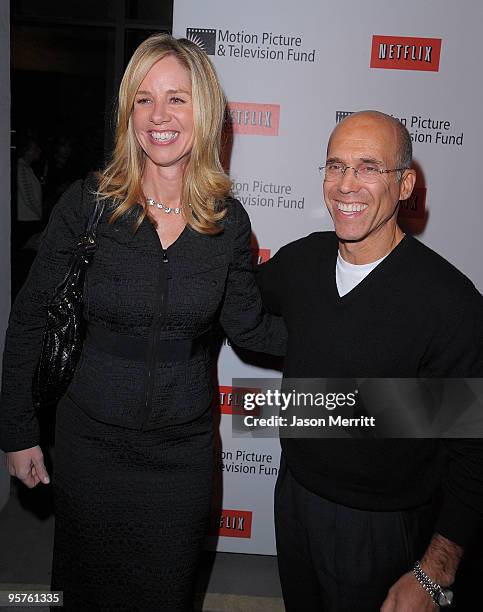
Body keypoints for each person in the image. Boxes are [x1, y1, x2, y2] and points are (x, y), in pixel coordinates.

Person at [0, 34, 285, 611]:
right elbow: (30, 317)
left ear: (202, 112)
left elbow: (249, 327)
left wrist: (349, 329)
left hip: (180, 453)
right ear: (128, 112)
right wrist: (17, 430)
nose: (159, 116)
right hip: (90, 443)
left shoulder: (227, 222)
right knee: (84, 592)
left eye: (177, 99)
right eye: (144, 99)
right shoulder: (90, 204)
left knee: (166, 594)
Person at [257, 110, 483, 611]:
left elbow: (473, 451)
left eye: (368, 167)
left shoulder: (448, 301)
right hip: (294, 499)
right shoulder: (301, 262)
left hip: (384, 528)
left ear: (405, 184)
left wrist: (434, 573)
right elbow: (238, 304)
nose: (346, 185)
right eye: (335, 167)